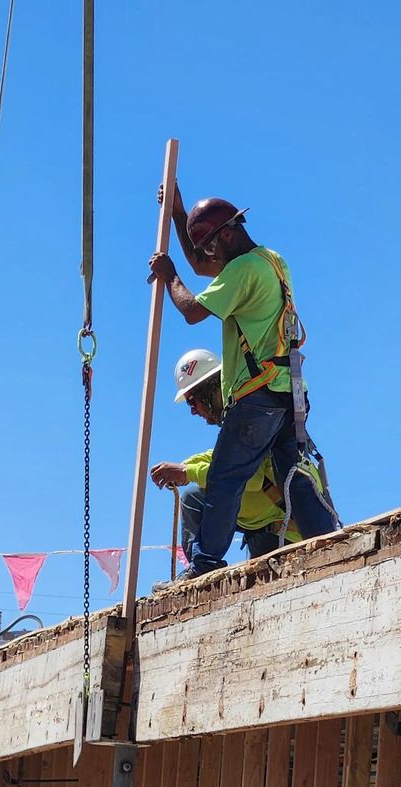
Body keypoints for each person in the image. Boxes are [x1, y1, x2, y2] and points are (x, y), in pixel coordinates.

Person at [148, 188, 336, 581]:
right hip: (287, 390)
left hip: (258, 394)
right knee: (293, 476)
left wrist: (170, 277)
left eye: (212, 247)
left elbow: (192, 310)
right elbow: (203, 264)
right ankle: (329, 542)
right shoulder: (270, 260)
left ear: (228, 236)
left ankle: (205, 563)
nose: (209, 258)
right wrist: (178, 215)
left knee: (224, 478)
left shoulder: (243, 269)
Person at [150, 349, 321, 566]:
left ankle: (204, 565)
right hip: (261, 532)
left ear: (210, 391)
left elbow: (251, 477)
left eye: (193, 401)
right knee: (194, 496)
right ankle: (200, 566)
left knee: (199, 494)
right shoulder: (238, 417)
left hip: (282, 533)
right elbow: (222, 459)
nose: (193, 411)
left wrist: (188, 473)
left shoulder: (252, 413)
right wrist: (187, 466)